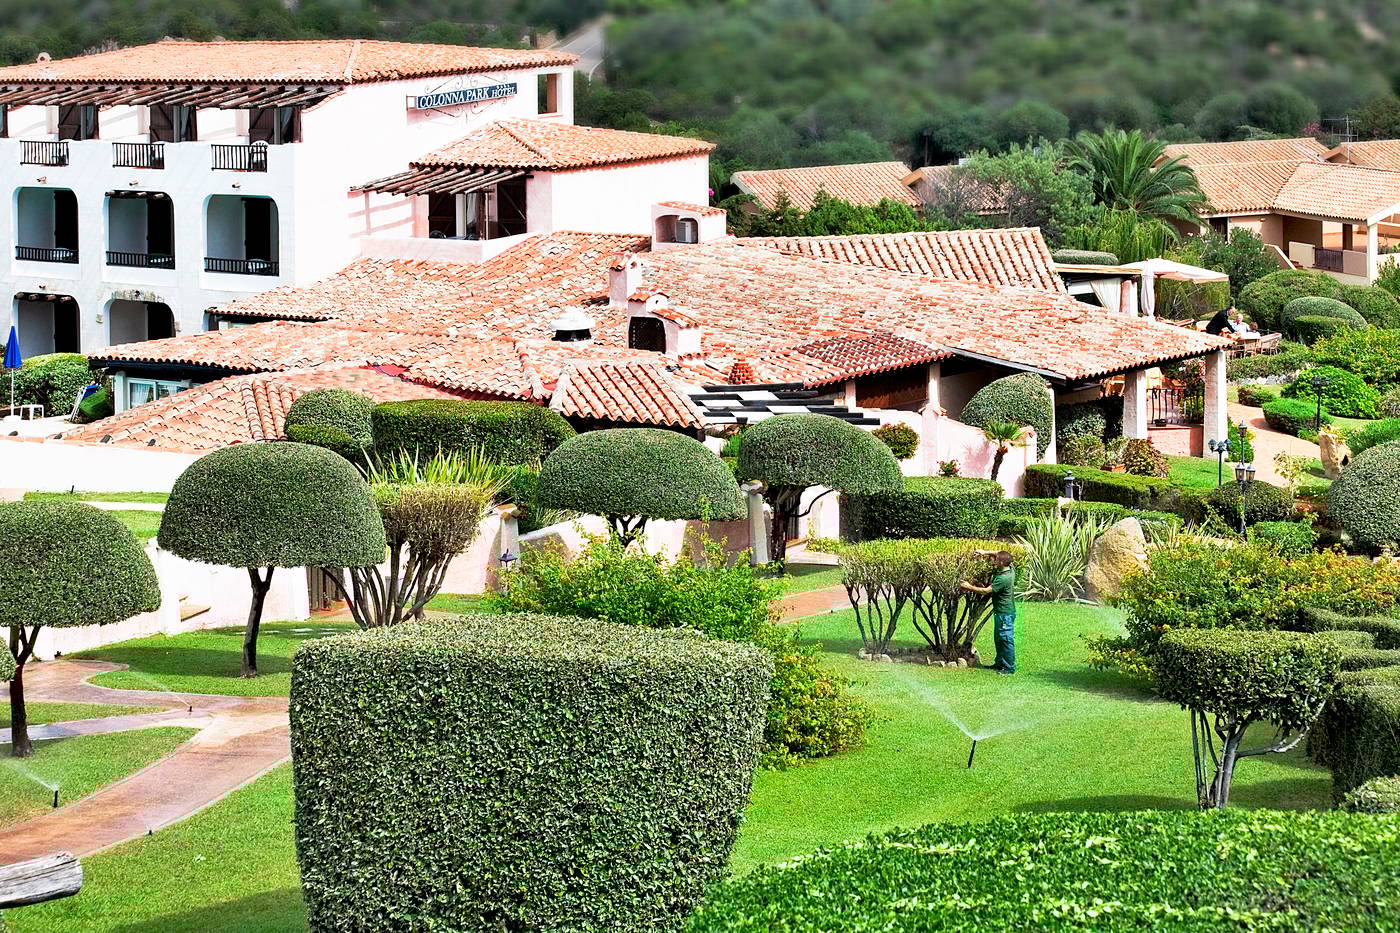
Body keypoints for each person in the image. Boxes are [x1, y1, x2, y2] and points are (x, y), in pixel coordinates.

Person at [960, 551, 1017, 675]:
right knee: (999, 639)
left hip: (1005, 614)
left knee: (1006, 640)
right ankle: (999, 664)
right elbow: (1001, 553)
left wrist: (968, 586)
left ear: (1001, 563)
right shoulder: (1010, 568)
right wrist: (984, 552)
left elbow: (986, 591)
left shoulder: (1003, 578)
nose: (993, 560)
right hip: (1002, 613)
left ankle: (1009, 668)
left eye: (996, 559)